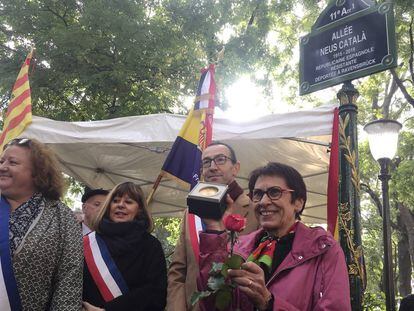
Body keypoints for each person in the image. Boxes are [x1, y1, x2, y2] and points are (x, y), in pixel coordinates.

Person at [197, 162, 351, 310]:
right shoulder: (239, 247)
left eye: (274, 192)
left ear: (298, 202)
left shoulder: (323, 250)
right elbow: (212, 304)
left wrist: (269, 304)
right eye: (257, 194)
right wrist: (214, 228)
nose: (263, 202)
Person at [167, 142, 259, 311]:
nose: (212, 167)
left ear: (235, 168)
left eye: (220, 159)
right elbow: (178, 272)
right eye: (206, 162)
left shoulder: (255, 209)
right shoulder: (191, 212)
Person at [0, 138, 83, 310]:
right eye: (1, 161)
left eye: (13, 162)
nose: (2, 167)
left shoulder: (62, 217)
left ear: (37, 172)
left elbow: (68, 280)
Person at [82, 181, 167, 311]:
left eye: (128, 202)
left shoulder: (151, 246)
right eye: (115, 201)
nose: (121, 205)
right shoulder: (89, 242)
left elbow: (155, 292)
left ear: (139, 210)